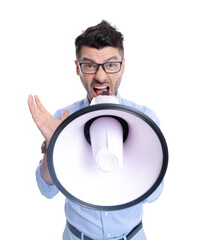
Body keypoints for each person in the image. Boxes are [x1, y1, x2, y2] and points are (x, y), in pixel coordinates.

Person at [28, 20, 164, 240]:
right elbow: (47, 190)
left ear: (123, 65)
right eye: (90, 65)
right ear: (77, 68)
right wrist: (52, 149)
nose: (100, 77)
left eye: (110, 64)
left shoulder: (144, 119)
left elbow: (154, 194)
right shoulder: (64, 119)